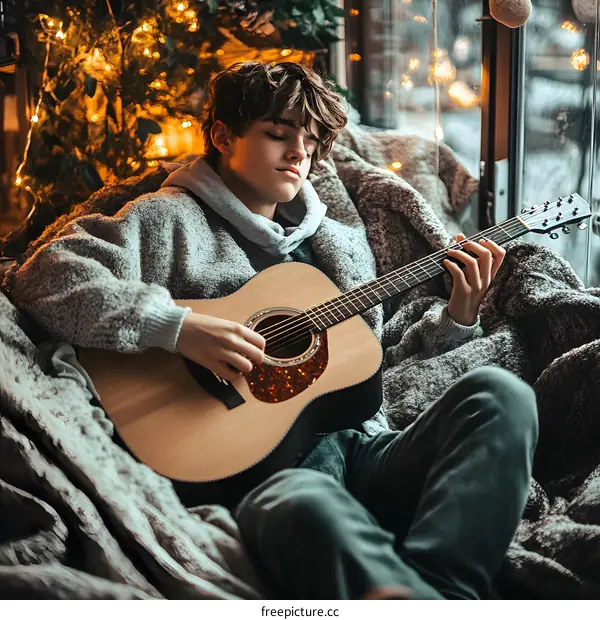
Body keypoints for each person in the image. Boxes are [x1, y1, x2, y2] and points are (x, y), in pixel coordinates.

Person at [10, 61, 538, 600]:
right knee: (305, 503)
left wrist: (458, 318)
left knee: (503, 397)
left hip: (363, 450)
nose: (297, 154)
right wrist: (175, 327)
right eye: (277, 135)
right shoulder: (164, 219)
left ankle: (440, 594)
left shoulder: (340, 240)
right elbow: (44, 274)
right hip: (269, 477)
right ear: (222, 135)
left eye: (309, 143)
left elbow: (367, 367)